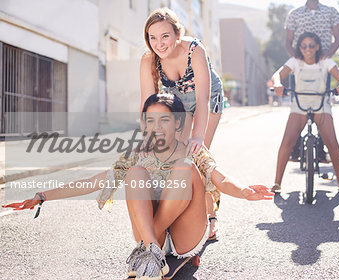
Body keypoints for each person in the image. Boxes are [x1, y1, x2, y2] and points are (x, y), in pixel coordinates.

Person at [3, 93, 274, 280]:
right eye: (150, 120)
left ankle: (150, 251)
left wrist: (243, 191)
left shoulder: (193, 149)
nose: (156, 127)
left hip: (184, 234)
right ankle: (151, 252)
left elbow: (220, 178)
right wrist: (42, 196)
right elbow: (94, 182)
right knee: (134, 172)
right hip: (148, 233)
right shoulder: (138, 152)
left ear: (178, 123)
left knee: (185, 168)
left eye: (164, 120)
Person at [140, 7, 224, 240]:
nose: (159, 43)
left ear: (178, 34)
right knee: (176, 156)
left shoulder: (195, 50)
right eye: (152, 37)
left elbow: (203, 98)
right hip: (179, 104)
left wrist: (198, 137)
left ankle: (210, 216)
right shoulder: (149, 58)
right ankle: (175, 213)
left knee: (197, 155)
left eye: (165, 36)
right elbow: (147, 103)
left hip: (208, 98)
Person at [270, 32, 339, 194]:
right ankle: (277, 183)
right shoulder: (295, 62)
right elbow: (277, 75)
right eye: (304, 46)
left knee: (332, 142)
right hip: (299, 105)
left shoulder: (326, 61)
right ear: (299, 48)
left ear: (317, 47)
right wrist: (278, 84)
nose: (307, 49)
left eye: (311, 46)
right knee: (287, 141)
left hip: (321, 104)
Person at [285, 0, 339, 162]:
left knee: (323, 104)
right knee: (297, 104)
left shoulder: (332, 12)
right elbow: (288, 41)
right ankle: (295, 148)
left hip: (323, 66)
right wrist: (296, 57)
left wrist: (327, 55)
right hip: (300, 67)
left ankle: (321, 148)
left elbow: (338, 38)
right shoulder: (294, 14)